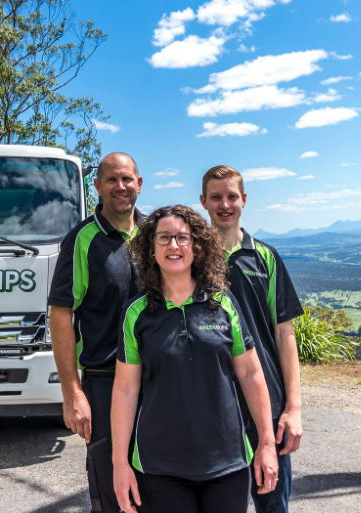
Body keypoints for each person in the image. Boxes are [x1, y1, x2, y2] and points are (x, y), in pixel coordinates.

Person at [111, 205, 278, 513]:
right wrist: (120, 464)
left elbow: (252, 375)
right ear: (150, 248)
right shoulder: (136, 313)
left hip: (227, 463)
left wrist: (266, 443)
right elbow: (125, 390)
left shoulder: (223, 304)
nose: (173, 246)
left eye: (182, 238)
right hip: (159, 466)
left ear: (197, 246)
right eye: (163, 238)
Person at [201, 165, 304, 513]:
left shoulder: (266, 257)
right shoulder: (192, 261)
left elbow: (284, 334)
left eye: (232, 196)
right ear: (204, 202)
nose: (224, 204)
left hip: (267, 407)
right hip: (212, 405)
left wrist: (293, 408)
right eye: (216, 197)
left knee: (273, 506)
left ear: (244, 200)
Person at [48, 152, 143, 513]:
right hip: (105, 381)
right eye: (112, 180)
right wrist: (72, 392)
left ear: (139, 184)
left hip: (157, 379)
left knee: (159, 482)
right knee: (111, 489)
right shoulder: (82, 240)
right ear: (98, 187)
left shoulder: (154, 235)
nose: (121, 187)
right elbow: (60, 315)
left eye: (127, 179)